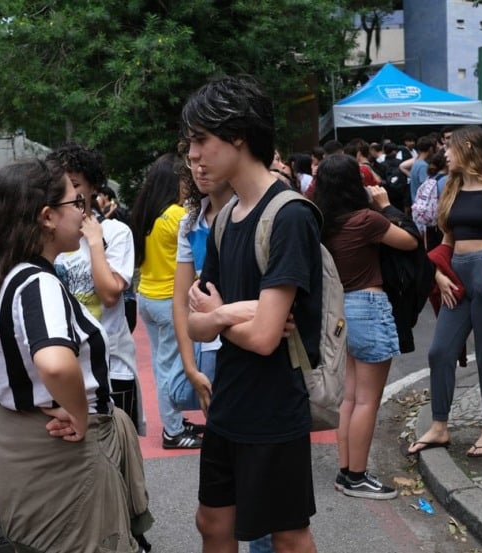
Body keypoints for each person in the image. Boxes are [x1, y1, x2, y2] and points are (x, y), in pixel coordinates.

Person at [0, 159, 152, 553]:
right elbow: (55, 362)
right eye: (76, 202)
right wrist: (79, 414)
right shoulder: (37, 282)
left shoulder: (3, 273)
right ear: (46, 217)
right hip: (54, 452)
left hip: (15, 440)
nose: (84, 212)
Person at [183, 75, 320, 553]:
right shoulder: (223, 218)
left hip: (274, 408)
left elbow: (265, 338)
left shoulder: (290, 216)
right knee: (211, 523)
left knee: (287, 534)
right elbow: (196, 322)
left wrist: (221, 316)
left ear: (237, 136)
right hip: (228, 403)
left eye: (201, 139)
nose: (193, 154)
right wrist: (225, 316)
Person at [174, 147, 275, 553]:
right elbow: (184, 304)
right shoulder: (193, 223)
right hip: (213, 355)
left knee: (265, 501)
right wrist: (191, 366)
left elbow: (270, 325)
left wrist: (219, 316)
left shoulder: (263, 213)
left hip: (256, 364)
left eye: (205, 155)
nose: (199, 166)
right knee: (219, 502)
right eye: (191, 161)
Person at [407, 125, 482, 458]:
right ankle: (439, 426)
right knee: (439, 351)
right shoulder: (452, 189)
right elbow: (446, 242)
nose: (444, 152)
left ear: (468, 148)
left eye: (450, 147)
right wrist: (439, 274)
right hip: (457, 278)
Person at [313, 155, 417, 500]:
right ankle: (357, 475)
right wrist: (387, 206)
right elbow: (410, 241)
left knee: (351, 399)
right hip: (369, 308)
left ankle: (347, 470)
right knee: (367, 401)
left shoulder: (321, 222)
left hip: (338, 312)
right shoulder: (365, 220)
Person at [48, 143, 146, 435]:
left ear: (93, 187)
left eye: (76, 185)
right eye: (61, 186)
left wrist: (93, 241)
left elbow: (110, 293)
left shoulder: (116, 233)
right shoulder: (47, 234)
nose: (69, 193)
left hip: (112, 366)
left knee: (119, 458)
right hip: (66, 367)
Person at [130, 153, 205, 449]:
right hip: (169, 301)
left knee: (164, 365)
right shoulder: (176, 217)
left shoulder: (148, 214)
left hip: (148, 297)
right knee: (171, 368)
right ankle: (172, 431)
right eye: (185, 180)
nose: (188, 185)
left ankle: (174, 422)